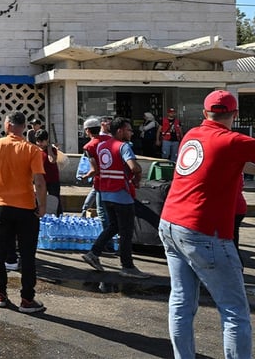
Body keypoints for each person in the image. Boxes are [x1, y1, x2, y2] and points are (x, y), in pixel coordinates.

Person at [158, 90, 254, 358]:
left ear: (205, 114)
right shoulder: (234, 141)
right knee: (235, 311)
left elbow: (227, 163)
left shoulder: (192, 135)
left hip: (170, 223)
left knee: (181, 301)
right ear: (234, 116)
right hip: (203, 231)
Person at [0, 111, 47, 314]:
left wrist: (0, 177)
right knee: (27, 255)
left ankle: (0, 294)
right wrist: (42, 206)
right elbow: (40, 181)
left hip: (2, 206)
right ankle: (27, 299)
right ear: (23, 126)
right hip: (26, 208)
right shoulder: (32, 149)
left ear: (7, 125)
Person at [81, 117, 150, 279]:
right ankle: (127, 266)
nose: (131, 133)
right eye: (128, 130)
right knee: (126, 231)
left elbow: (97, 168)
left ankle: (93, 253)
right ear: (120, 131)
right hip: (122, 194)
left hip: (105, 193)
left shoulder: (101, 146)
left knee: (113, 226)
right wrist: (138, 175)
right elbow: (134, 167)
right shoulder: (123, 146)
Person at [34, 130, 62, 216]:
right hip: (41, 179)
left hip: (52, 179)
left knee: (55, 198)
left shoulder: (52, 149)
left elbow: (52, 160)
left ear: (47, 140)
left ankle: (58, 215)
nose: (40, 143)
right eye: (38, 141)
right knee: (39, 198)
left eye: (42, 141)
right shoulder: (36, 151)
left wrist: (49, 149)